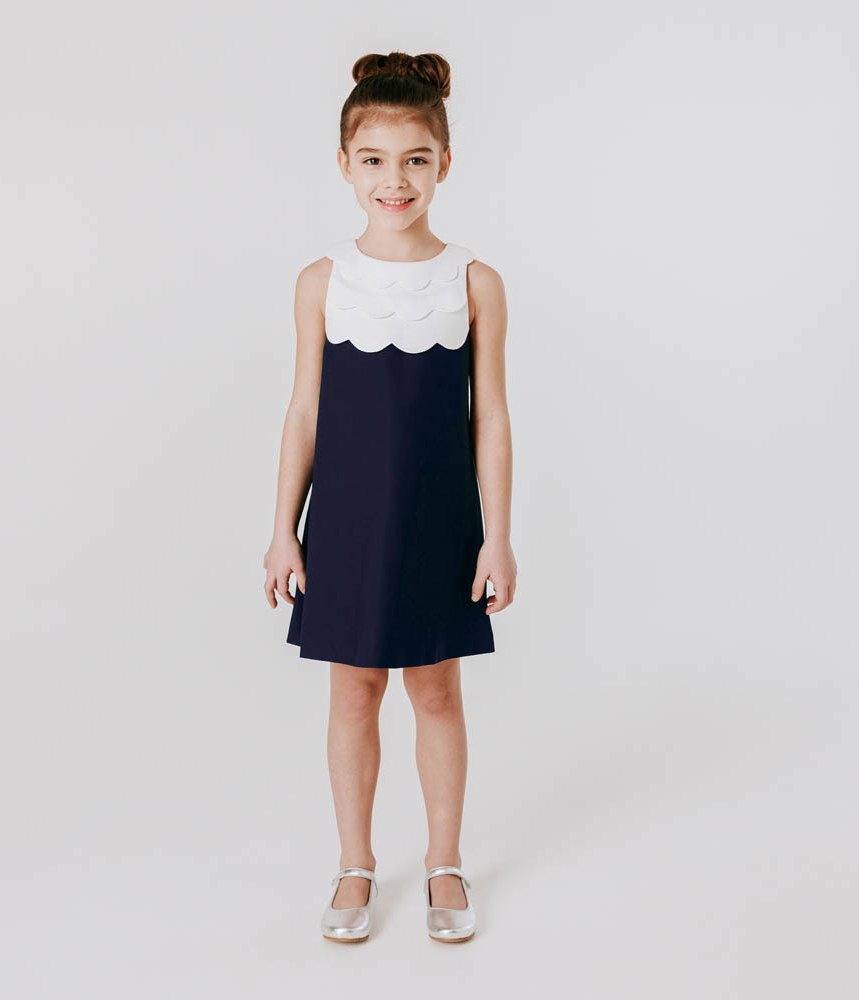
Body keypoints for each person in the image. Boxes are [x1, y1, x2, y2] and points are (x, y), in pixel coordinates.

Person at [263, 50, 516, 943]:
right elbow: (304, 410)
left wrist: (497, 536)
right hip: (346, 522)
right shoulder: (322, 281)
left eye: (415, 159)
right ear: (344, 163)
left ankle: (445, 862)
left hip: (439, 522)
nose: (394, 180)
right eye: (374, 160)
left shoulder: (474, 281)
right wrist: (283, 530)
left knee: (437, 691)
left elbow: (491, 417)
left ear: (444, 163)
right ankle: (355, 863)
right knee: (354, 693)